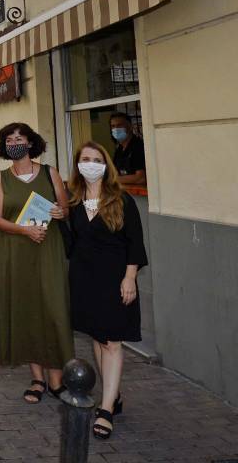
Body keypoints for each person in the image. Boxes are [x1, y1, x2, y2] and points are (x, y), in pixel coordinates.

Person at [66, 142, 148, 439]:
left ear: (106, 165)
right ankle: (113, 397)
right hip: (84, 280)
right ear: (77, 164)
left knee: (113, 342)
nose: (90, 164)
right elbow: (70, 245)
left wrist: (130, 278)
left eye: (96, 159)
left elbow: (135, 244)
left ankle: (106, 409)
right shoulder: (73, 202)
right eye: (85, 159)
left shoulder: (121, 200)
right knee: (99, 340)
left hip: (115, 279)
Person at [0, 122, 74, 404]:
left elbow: (65, 208)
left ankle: (57, 380)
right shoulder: (1, 178)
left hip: (48, 248)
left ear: (30, 142)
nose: (14, 142)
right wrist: (24, 230)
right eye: (9, 139)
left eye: (19, 137)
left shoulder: (50, 173)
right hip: (16, 250)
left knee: (53, 309)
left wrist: (61, 212)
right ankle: (37, 378)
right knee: (26, 310)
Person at [108, 113, 146, 189]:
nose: (116, 129)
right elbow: (115, 172)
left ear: (130, 127)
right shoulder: (119, 149)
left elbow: (140, 178)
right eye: (113, 126)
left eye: (119, 125)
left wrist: (112, 179)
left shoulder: (138, 147)